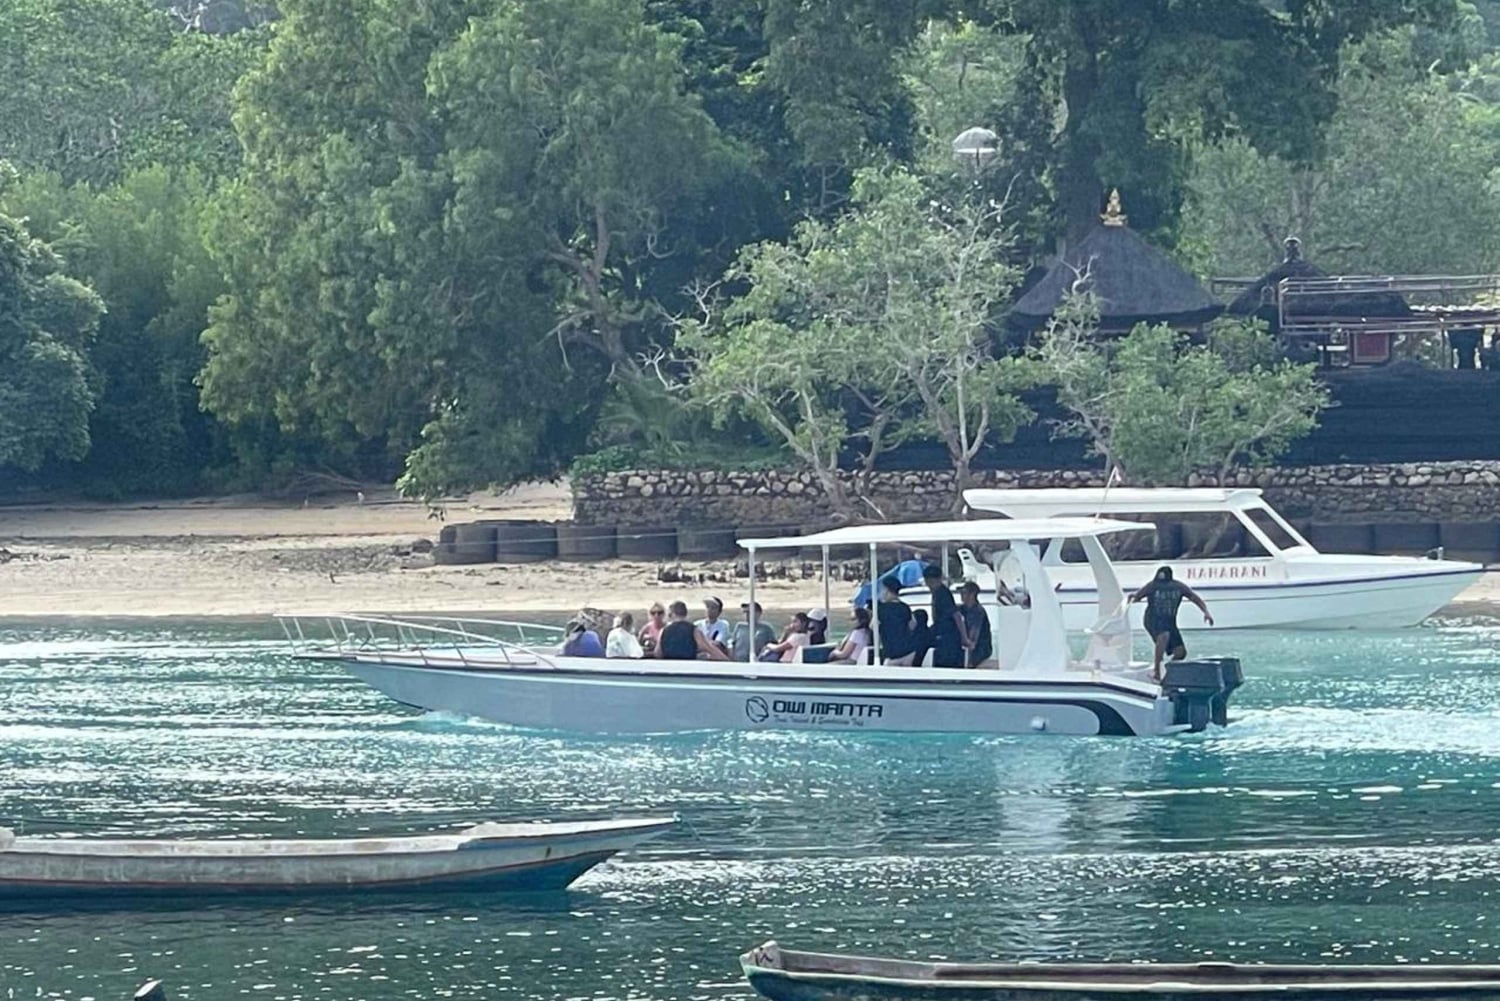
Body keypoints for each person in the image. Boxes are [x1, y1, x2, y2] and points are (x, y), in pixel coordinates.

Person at [1129, 566, 1214, 679]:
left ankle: (1167, 669)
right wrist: (1133, 597)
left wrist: (1206, 612)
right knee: (1163, 635)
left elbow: (1195, 598)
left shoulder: (1178, 586)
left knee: (1180, 652)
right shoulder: (1153, 586)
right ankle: (1157, 671)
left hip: (1170, 621)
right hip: (1153, 619)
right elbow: (1138, 596)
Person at [922, 564, 965, 668]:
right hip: (942, 634)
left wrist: (964, 637)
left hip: (948, 636)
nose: (929, 585)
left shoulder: (943, 594)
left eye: (931, 581)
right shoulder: (937, 593)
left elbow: (956, 615)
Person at [656, 600, 728, 660]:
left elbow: (658, 653)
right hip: (689, 666)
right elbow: (709, 648)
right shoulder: (694, 630)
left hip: (669, 666)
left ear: (671, 614)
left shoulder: (663, 631)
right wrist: (725, 659)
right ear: (686, 613)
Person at [876, 577, 915, 665]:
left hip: (891, 653)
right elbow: (912, 625)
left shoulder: (881, 609)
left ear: (886, 590)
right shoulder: (905, 607)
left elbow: (872, 626)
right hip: (908, 651)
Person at [958, 581, 993, 667]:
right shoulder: (962, 609)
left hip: (980, 649)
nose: (961, 595)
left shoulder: (978, 611)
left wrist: (969, 659)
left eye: (964, 592)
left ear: (972, 594)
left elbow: (974, 635)